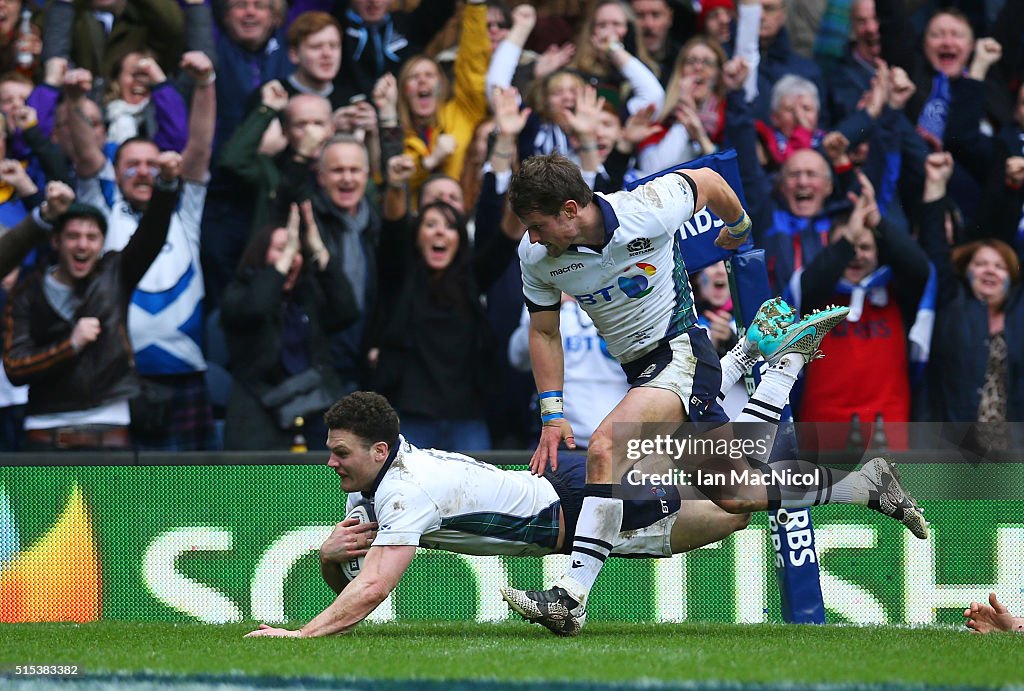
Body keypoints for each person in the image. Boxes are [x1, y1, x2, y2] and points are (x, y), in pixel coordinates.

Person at [500, 153, 927, 636]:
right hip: (641, 373)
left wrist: (739, 226)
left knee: (605, 446)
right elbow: (545, 333)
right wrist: (552, 414)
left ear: (572, 210)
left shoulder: (646, 209)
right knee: (736, 495)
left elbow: (707, 179)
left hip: (682, 355)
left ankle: (569, 597)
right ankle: (864, 486)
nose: (532, 238)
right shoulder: (536, 256)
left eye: (537, 225)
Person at [243, 390, 752, 638]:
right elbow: (353, 588)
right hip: (562, 502)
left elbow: (374, 589)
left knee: (736, 508)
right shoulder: (372, 483)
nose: (331, 463)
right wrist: (330, 559)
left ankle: (765, 375)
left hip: (575, 507)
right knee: (736, 503)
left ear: (379, 450)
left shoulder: (405, 491)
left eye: (341, 453)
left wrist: (300, 637)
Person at [3, 160, 180, 451]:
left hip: (110, 424)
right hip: (44, 429)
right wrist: (68, 345)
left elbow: (152, 234)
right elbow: (15, 367)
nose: (82, 245)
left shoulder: (116, 273)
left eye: (91, 237)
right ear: (57, 242)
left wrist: (166, 185)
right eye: (73, 236)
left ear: (101, 244)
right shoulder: (27, 292)